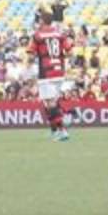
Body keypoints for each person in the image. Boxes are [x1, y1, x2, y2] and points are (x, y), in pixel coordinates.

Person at [30, 10, 73, 141]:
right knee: (49, 102)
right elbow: (70, 51)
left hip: (46, 70)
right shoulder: (60, 34)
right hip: (59, 69)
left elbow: (31, 53)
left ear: (42, 21)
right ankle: (55, 129)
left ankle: (62, 129)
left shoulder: (37, 35)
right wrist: (59, 57)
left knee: (50, 103)